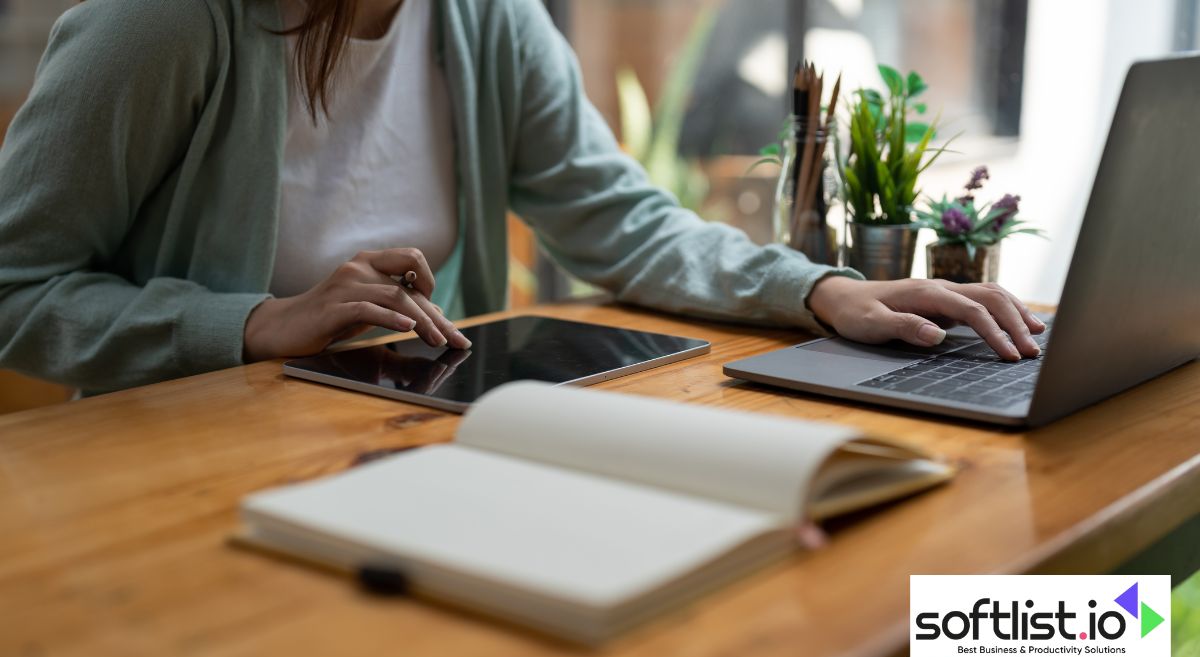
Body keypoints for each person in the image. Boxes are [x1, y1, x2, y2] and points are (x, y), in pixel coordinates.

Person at [0, 0, 1044, 396]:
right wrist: (262, 322)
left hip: (398, 443)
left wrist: (820, 290)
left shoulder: (486, 22)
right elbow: (17, 290)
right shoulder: (162, 24)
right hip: (181, 471)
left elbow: (624, 222)